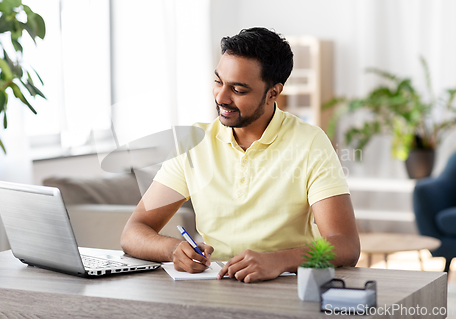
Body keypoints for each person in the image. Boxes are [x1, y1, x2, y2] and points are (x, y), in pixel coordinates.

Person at [121, 27, 360, 283]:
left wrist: (279, 261)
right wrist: (172, 250)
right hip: (214, 287)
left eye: (238, 90)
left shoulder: (310, 142)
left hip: (285, 288)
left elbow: (345, 245)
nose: (221, 97)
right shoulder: (192, 143)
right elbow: (134, 232)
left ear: (273, 93)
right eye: (218, 82)